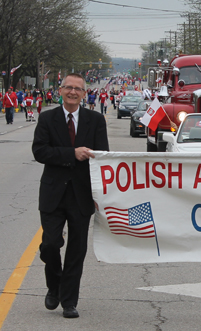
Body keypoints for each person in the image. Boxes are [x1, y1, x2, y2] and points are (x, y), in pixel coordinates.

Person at [32, 73, 109, 319]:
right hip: (53, 193)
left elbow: (103, 156)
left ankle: (69, 301)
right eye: (68, 88)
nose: (73, 92)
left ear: (84, 94)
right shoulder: (47, 118)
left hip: (82, 195)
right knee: (50, 245)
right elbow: (40, 151)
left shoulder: (95, 120)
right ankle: (54, 284)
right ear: (60, 90)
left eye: (78, 89)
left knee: (77, 250)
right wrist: (71, 154)